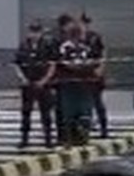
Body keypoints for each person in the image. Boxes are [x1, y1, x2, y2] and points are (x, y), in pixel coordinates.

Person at [14, 20, 56, 149]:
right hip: (28, 83)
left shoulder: (47, 45)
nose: (35, 34)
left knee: (46, 112)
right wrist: (22, 78)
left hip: (43, 83)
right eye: (32, 31)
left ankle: (48, 139)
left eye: (37, 32)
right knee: (26, 112)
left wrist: (45, 80)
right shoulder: (23, 46)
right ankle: (24, 138)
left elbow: (52, 64)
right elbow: (16, 64)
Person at [56, 20, 96, 146]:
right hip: (69, 84)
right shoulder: (65, 47)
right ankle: (69, 138)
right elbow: (62, 63)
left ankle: (82, 136)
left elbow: (93, 61)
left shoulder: (86, 47)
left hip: (84, 84)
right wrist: (77, 66)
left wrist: (86, 67)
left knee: (84, 112)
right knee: (69, 113)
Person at [79, 13, 109, 138]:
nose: (85, 26)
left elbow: (103, 53)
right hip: (82, 75)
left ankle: (104, 127)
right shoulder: (77, 38)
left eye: (87, 24)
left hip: (95, 74)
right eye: (83, 23)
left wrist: (100, 69)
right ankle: (86, 127)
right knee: (84, 103)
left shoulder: (95, 37)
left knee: (98, 102)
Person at [52, 13, 76, 145]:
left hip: (71, 78)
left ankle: (71, 134)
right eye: (70, 24)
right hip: (61, 78)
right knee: (61, 108)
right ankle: (62, 135)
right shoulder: (58, 40)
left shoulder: (71, 38)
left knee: (70, 108)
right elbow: (56, 58)